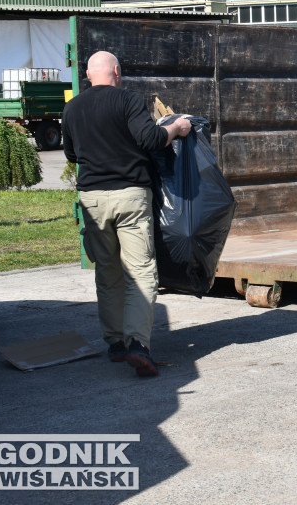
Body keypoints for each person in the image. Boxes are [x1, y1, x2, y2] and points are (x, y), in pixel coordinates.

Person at [63, 51, 192, 376]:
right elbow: (150, 139)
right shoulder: (128, 100)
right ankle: (139, 345)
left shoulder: (72, 107)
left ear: (90, 75)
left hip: (92, 199)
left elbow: (71, 153)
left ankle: (116, 344)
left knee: (107, 272)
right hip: (130, 196)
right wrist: (176, 127)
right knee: (141, 272)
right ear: (117, 72)